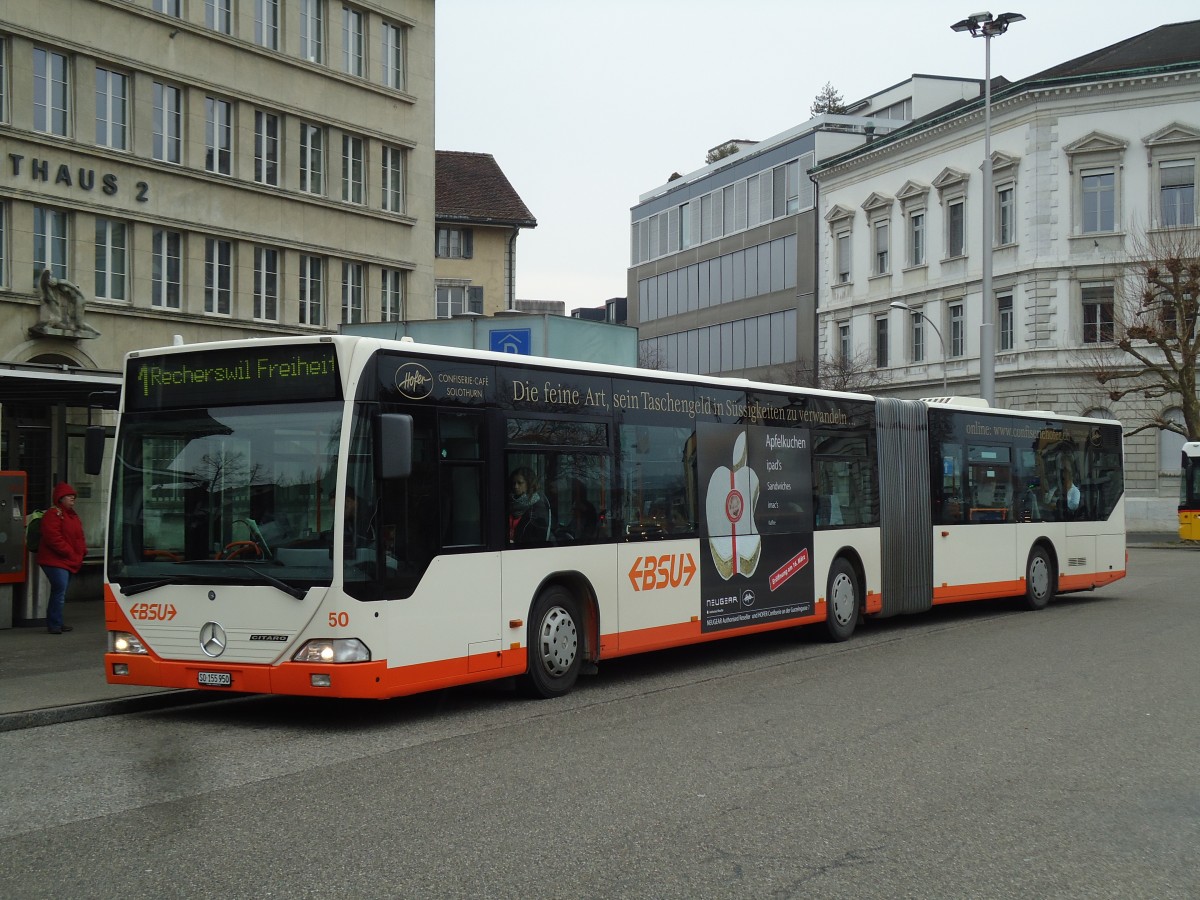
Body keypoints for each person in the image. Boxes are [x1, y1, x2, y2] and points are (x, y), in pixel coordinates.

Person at [37, 482, 87, 635]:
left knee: (60, 591)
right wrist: (71, 553)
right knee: (59, 591)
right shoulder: (54, 514)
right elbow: (53, 538)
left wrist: (82, 551)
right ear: (60, 498)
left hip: (67, 559)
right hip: (56, 560)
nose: (73, 498)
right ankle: (54, 624)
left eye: (73, 496)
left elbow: (79, 536)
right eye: (69, 496)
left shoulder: (71, 515)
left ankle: (56, 622)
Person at [508, 467, 550, 544]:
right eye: (514, 483)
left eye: (520, 483)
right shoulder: (509, 502)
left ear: (529, 484)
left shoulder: (538, 507)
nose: (516, 486)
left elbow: (539, 538)